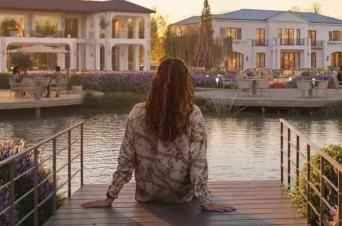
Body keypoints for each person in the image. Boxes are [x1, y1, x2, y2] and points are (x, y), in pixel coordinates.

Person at [81, 58, 236, 213]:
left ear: (156, 82)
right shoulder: (193, 114)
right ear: (185, 83)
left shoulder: (137, 112)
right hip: (180, 196)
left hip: (148, 194)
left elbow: (126, 158)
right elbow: (198, 161)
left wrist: (110, 197)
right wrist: (205, 202)